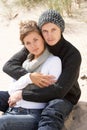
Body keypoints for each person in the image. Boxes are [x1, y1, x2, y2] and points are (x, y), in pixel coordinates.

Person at [1, 9, 81, 130]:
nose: (49, 35)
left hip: (64, 95)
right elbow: (9, 65)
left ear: (61, 29)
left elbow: (58, 91)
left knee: (52, 111)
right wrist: (31, 77)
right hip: (35, 90)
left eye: (53, 29)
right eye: (45, 31)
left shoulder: (72, 54)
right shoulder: (38, 43)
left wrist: (23, 94)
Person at [0, 20, 62, 130]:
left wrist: (22, 89)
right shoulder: (25, 62)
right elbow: (11, 90)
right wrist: (29, 78)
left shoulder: (53, 61)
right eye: (28, 43)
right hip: (13, 110)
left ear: (42, 38)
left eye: (35, 40)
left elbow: (49, 92)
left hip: (33, 114)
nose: (33, 46)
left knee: (2, 122)